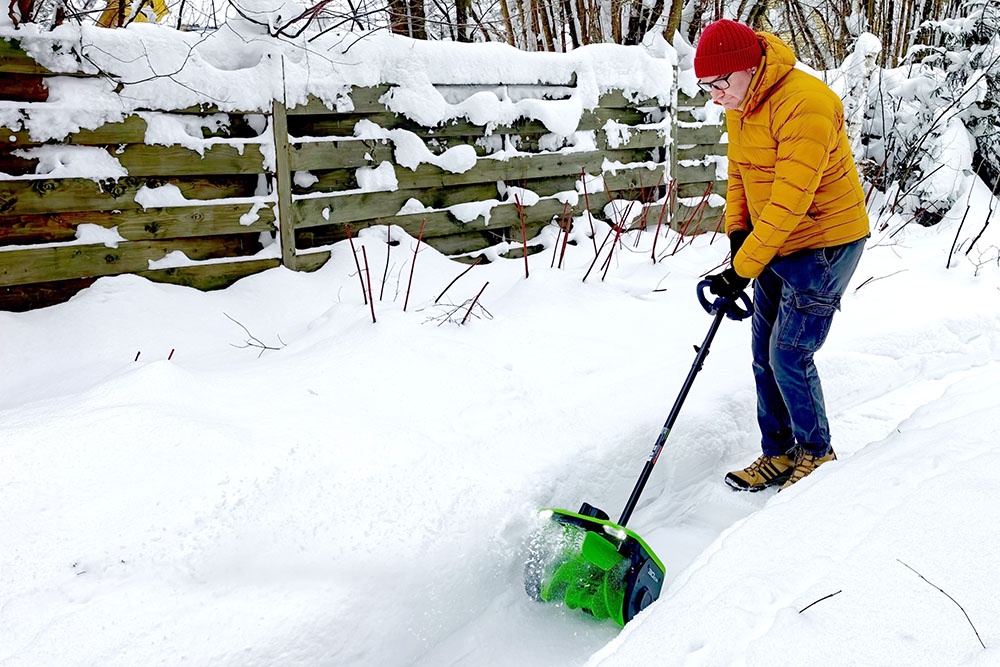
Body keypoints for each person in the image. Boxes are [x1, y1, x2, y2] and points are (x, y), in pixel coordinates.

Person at [695, 19, 870, 491]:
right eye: (705, 87)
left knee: (789, 353)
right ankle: (778, 452)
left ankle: (816, 452)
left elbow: (791, 200)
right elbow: (741, 175)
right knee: (762, 353)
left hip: (825, 243)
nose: (714, 96)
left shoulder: (807, 104)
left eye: (719, 83)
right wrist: (737, 235)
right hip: (775, 238)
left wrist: (742, 268)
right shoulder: (742, 102)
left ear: (749, 68)